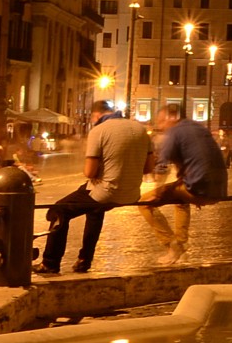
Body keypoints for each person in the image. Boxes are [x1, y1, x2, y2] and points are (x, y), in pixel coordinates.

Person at [38, 101, 150, 274]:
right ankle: (84, 260)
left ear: (96, 115)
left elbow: (89, 172)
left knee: (59, 210)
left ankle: (50, 263)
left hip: (106, 191)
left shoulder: (99, 131)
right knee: (95, 209)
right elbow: (148, 168)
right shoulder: (141, 130)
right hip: (133, 193)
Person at [143, 104, 227, 267]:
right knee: (180, 199)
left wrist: (157, 193)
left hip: (198, 188)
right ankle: (181, 241)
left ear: (173, 117)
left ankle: (172, 244)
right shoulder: (199, 128)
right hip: (219, 189)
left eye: (161, 121)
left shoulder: (174, 132)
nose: (160, 126)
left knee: (144, 202)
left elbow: (162, 166)